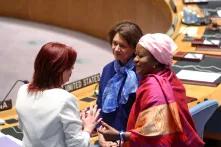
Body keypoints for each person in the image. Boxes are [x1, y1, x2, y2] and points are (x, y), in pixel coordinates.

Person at [98, 33, 204, 147]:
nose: (135, 60)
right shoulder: (169, 76)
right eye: (136, 55)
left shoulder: (153, 89)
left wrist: (120, 135)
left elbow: (153, 135)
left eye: (141, 56)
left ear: (156, 61)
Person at [16, 42, 101, 147]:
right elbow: (77, 145)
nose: (71, 71)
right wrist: (88, 127)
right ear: (58, 70)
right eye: (70, 67)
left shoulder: (22, 90)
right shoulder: (65, 99)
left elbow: (22, 127)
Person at [96, 21, 143, 133]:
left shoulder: (141, 72)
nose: (116, 49)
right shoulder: (108, 69)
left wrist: (121, 137)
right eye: (114, 43)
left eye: (122, 46)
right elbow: (100, 105)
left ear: (134, 48)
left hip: (130, 136)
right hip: (106, 134)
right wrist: (101, 133)